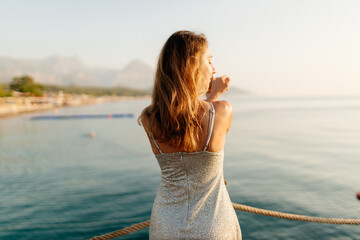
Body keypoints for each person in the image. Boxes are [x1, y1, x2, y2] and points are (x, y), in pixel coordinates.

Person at [139, 30, 241, 239]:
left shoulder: (149, 118)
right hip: (213, 227)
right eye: (210, 61)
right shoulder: (222, 111)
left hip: (165, 225)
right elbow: (203, 120)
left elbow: (185, 120)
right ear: (193, 65)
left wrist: (211, 95)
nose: (214, 69)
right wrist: (214, 95)